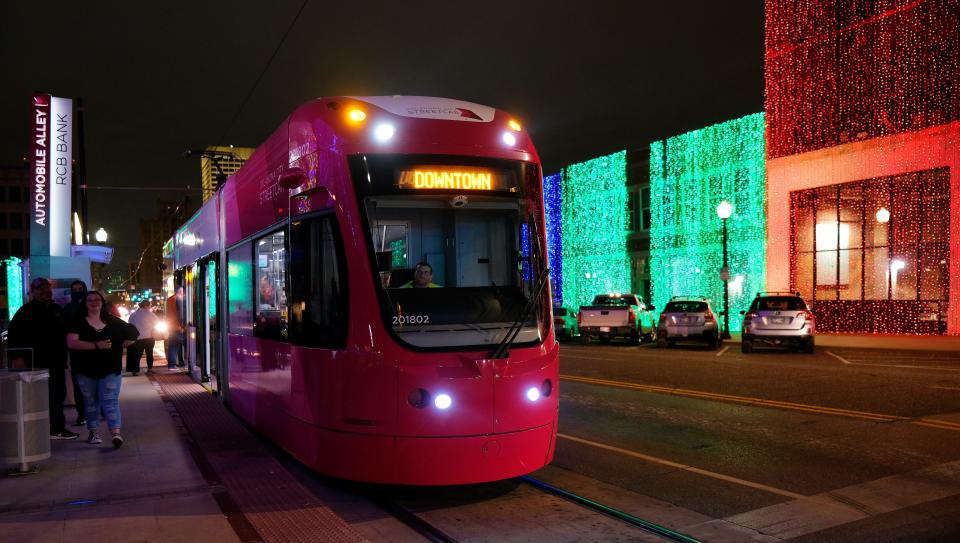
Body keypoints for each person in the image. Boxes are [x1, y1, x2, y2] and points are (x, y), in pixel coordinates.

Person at [7, 277, 80, 440]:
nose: (46, 291)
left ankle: (56, 428)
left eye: (47, 288)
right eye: (40, 288)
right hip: (36, 362)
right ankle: (41, 429)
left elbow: (66, 331)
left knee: (58, 395)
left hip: (56, 361)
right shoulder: (25, 311)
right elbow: (14, 335)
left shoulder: (56, 309)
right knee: (39, 397)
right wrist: (17, 357)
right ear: (33, 291)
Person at [66, 290, 138, 447]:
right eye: (90, 300)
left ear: (102, 302)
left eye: (97, 299)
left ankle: (116, 434)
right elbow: (71, 342)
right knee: (92, 402)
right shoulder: (77, 322)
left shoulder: (113, 321)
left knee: (110, 400)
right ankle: (93, 431)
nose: (93, 302)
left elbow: (133, 334)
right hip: (85, 370)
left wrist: (120, 344)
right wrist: (96, 346)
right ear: (85, 304)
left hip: (111, 368)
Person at [62, 280, 89, 426]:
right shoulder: (68, 308)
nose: (78, 291)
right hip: (76, 351)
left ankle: (99, 409)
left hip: (93, 350)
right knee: (79, 383)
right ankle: (82, 413)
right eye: (75, 289)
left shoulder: (91, 305)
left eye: (80, 289)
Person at [126, 301, 159, 375]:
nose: (150, 307)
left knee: (137, 355)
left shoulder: (133, 315)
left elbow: (130, 323)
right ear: (147, 306)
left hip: (138, 338)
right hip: (149, 337)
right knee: (149, 353)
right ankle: (149, 369)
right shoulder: (150, 314)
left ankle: (134, 371)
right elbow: (157, 322)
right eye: (150, 305)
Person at [165, 290, 183, 369]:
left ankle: (171, 365)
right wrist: (182, 326)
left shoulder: (169, 299)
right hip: (178, 327)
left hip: (171, 326)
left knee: (173, 345)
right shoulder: (178, 299)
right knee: (186, 343)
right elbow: (179, 314)